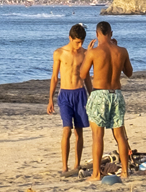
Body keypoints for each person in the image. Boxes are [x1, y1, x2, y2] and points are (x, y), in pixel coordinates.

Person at [83, 21, 133, 181]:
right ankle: (125, 171)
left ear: (97, 35)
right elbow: (129, 72)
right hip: (116, 94)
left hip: (99, 94)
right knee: (120, 135)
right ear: (111, 34)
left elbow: (83, 74)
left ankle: (96, 173)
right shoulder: (122, 51)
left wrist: (87, 54)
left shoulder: (94, 52)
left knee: (98, 135)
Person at [47, 24, 89, 177]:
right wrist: (50, 99)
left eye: (81, 42)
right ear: (70, 38)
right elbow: (54, 77)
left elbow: (87, 77)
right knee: (67, 130)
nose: (79, 45)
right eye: (77, 42)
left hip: (80, 94)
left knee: (79, 132)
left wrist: (92, 96)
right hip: (65, 94)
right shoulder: (59, 53)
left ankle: (76, 164)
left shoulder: (85, 53)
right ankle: (64, 166)